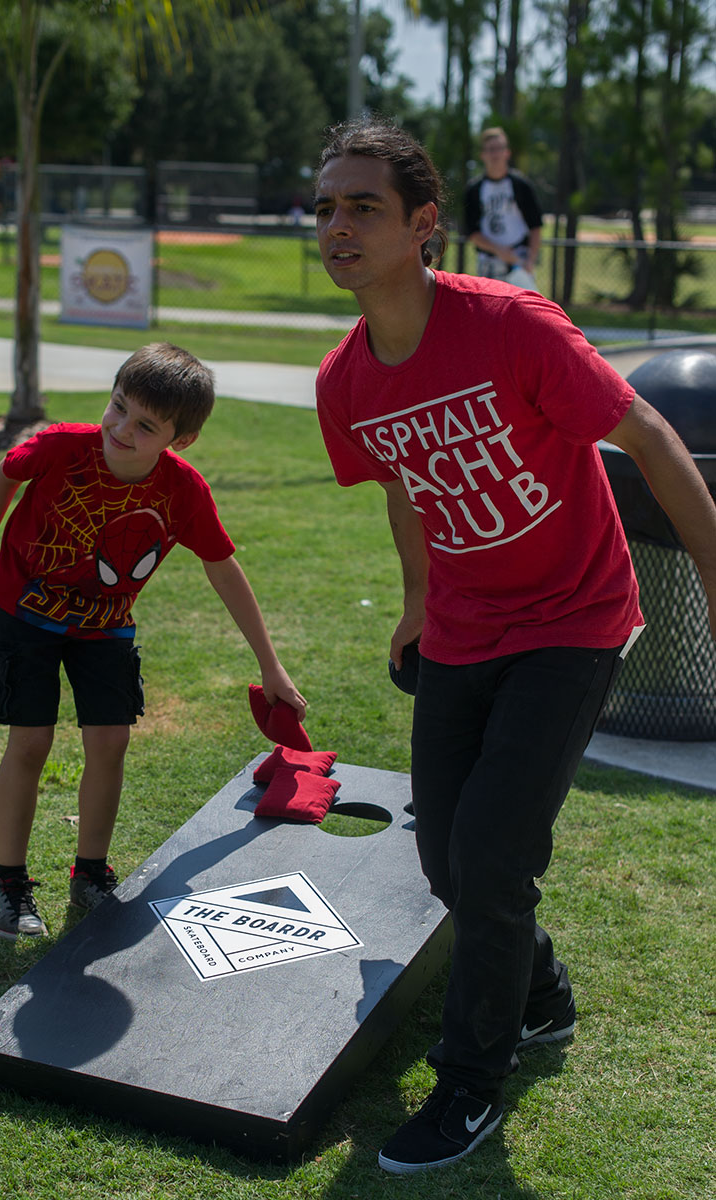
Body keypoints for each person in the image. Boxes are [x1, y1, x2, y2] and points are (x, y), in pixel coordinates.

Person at [312, 118, 716, 1174]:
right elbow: (405, 486)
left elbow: (652, 438)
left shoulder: (511, 324)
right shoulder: (344, 382)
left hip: (575, 617)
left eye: (362, 206)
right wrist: (412, 600)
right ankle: (539, 994)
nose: (337, 226)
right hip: (461, 627)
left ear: (424, 225)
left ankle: (470, 1083)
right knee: (445, 857)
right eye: (325, 208)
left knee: (493, 853)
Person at [0, 342, 306, 941]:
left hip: (105, 626)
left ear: (179, 439)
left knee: (110, 740)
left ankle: (90, 873)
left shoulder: (183, 490)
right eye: (118, 407)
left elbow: (224, 569)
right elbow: (5, 477)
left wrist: (271, 665)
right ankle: (7, 883)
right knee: (31, 743)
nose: (122, 428)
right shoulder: (63, 445)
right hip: (25, 613)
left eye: (145, 425)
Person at [464, 126, 542, 288]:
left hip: (519, 260)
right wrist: (499, 250)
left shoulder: (521, 185)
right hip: (489, 262)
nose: (495, 154)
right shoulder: (474, 189)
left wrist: (530, 260)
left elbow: (535, 225)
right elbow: (471, 231)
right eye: (490, 149)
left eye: (499, 148)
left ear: (507, 152)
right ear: (483, 155)